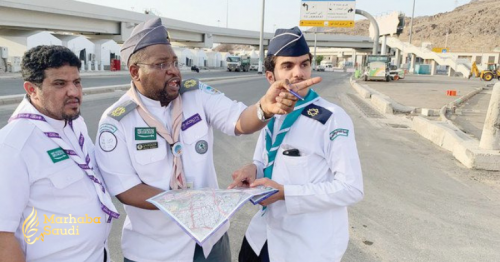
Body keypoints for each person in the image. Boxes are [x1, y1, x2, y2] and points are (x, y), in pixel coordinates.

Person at [94, 18, 321, 262]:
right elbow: (126, 189)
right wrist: (183, 204)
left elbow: (239, 121)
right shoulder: (116, 122)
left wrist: (264, 109)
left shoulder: (196, 95)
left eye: (174, 62)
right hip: (155, 250)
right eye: (161, 64)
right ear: (135, 72)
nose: (173, 70)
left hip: (211, 244)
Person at [229, 27, 364, 262]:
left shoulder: (332, 117)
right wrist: (253, 169)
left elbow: (351, 188)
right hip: (260, 237)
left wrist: (285, 194)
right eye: (288, 66)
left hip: (304, 247)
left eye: (304, 64)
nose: (299, 73)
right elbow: (264, 160)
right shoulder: (273, 114)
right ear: (271, 77)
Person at [0, 45, 119, 262]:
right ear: (31, 89)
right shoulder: (13, 146)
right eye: (59, 84)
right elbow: (2, 238)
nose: (73, 92)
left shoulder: (75, 124)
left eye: (77, 82)